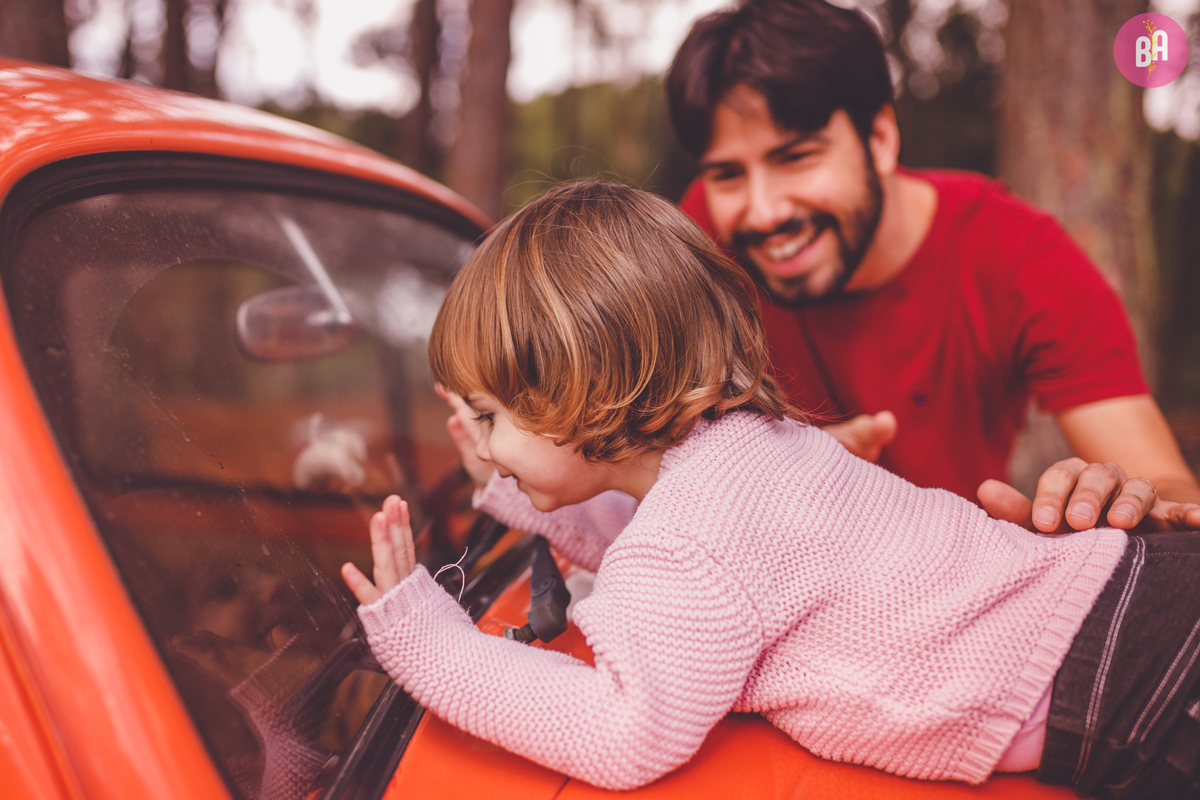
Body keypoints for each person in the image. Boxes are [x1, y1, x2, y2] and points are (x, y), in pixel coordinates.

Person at [341, 182, 1200, 795]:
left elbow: (625, 729)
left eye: (490, 416)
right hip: (1140, 611)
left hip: (1132, 685)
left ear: (582, 398)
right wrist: (517, 483)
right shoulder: (745, 453)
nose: (482, 441)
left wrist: (428, 643)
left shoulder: (692, 542)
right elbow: (678, 568)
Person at [664, 0, 1200, 535]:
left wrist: (1126, 507)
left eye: (796, 157)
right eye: (727, 173)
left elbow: (1170, 494)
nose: (762, 211)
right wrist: (774, 462)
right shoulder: (705, 242)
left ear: (879, 140)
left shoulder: (1017, 253)